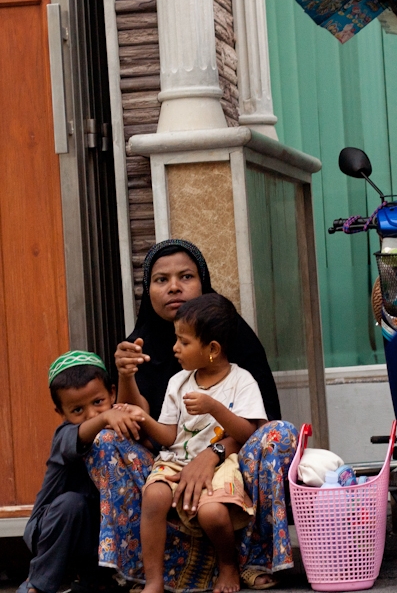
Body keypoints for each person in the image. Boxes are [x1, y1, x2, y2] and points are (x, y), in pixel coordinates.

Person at [88, 239, 296, 592]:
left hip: (229, 460)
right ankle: (147, 571)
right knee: (106, 440)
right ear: (147, 290)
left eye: (185, 276)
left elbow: (260, 424)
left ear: (203, 282)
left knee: (281, 433)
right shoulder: (138, 347)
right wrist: (124, 376)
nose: (173, 287)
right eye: (160, 279)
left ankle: (250, 560)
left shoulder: (237, 343)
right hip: (167, 460)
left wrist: (212, 454)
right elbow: (140, 429)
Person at [123, 294, 266, 593]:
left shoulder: (242, 382)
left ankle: (228, 566)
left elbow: (247, 433)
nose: (175, 348)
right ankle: (154, 580)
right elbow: (169, 437)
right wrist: (144, 418)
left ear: (212, 349)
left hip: (222, 464)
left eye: (183, 342)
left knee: (212, 513)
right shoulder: (179, 382)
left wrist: (214, 407)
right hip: (176, 460)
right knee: (154, 497)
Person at [19, 352, 144, 593]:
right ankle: (36, 585)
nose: (91, 414)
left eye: (98, 402)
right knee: (72, 504)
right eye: (77, 409)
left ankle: (96, 581)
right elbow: (82, 434)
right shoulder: (64, 435)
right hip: (53, 529)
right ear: (62, 413)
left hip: (96, 531)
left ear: (112, 392)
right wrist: (106, 415)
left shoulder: (117, 425)